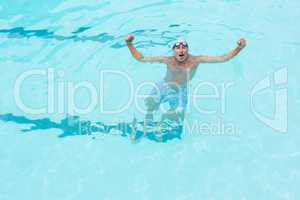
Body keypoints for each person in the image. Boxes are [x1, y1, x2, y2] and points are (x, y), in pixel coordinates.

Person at [125, 34, 246, 125]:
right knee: (150, 107)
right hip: (163, 86)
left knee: (178, 118)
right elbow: (141, 58)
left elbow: (222, 58)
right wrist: (129, 43)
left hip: (180, 90)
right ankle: (147, 123)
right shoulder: (168, 60)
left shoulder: (196, 60)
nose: (181, 49)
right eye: (177, 47)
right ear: (173, 50)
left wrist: (239, 48)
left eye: (184, 47)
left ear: (187, 50)